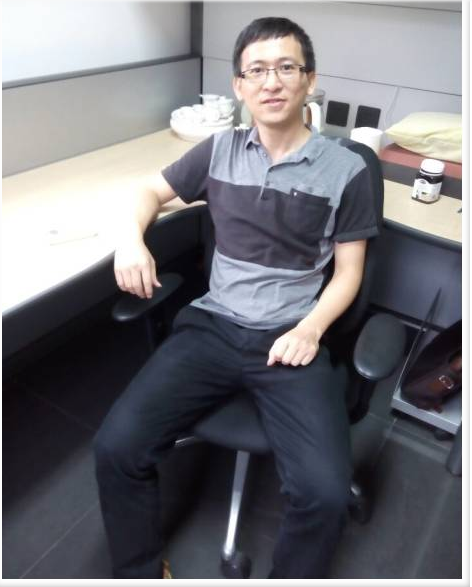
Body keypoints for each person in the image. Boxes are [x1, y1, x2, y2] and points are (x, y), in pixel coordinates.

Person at [94, 16, 379, 579]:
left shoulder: (346, 170)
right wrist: (131, 241)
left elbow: (349, 273)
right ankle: (141, 571)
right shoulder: (218, 151)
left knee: (323, 493)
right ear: (238, 86)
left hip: (291, 338)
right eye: (256, 71)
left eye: (286, 68)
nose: (271, 82)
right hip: (214, 326)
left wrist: (311, 329)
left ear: (309, 80)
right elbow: (147, 190)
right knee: (116, 447)